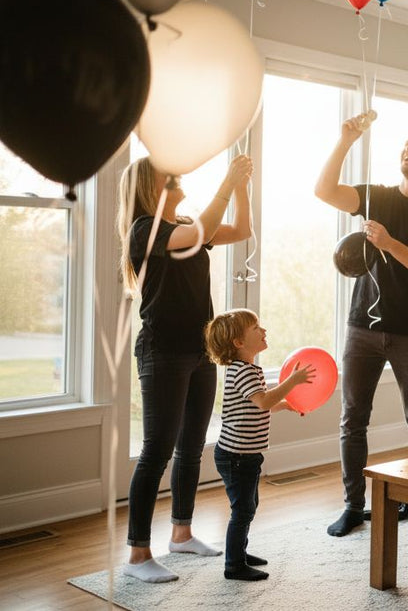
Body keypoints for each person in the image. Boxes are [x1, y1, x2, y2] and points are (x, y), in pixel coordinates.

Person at [315, 113, 408, 539]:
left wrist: (389, 243)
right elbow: (323, 190)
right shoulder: (376, 197)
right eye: (406, 143)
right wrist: (345, 140)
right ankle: (352, 506)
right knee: (352, 419)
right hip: (362, 328)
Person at [117, 154, 253, 583]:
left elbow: (241, 231)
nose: (177, 177)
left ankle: (181, 533)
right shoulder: (147, 229)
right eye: (167, 175)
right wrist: (229, 182)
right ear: (148, 186)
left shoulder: (186, 225)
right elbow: (202, 231)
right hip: (163, 351)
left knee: (192, 446)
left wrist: (243, 185)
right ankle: (139, 554)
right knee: (157, 450)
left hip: (199, 352)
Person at [204, 309, 316, 581]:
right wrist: (293, 382)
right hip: (236, 456)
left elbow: (257, 406)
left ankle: (239, 552)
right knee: (242, 510)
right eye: (256, 328)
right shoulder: (243, 372)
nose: (263, 331)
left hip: (245, 455)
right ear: (238, 343)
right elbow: (263, 401)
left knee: (248, 506)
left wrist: (285, 405)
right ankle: (234, 565)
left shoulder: (248, 369)